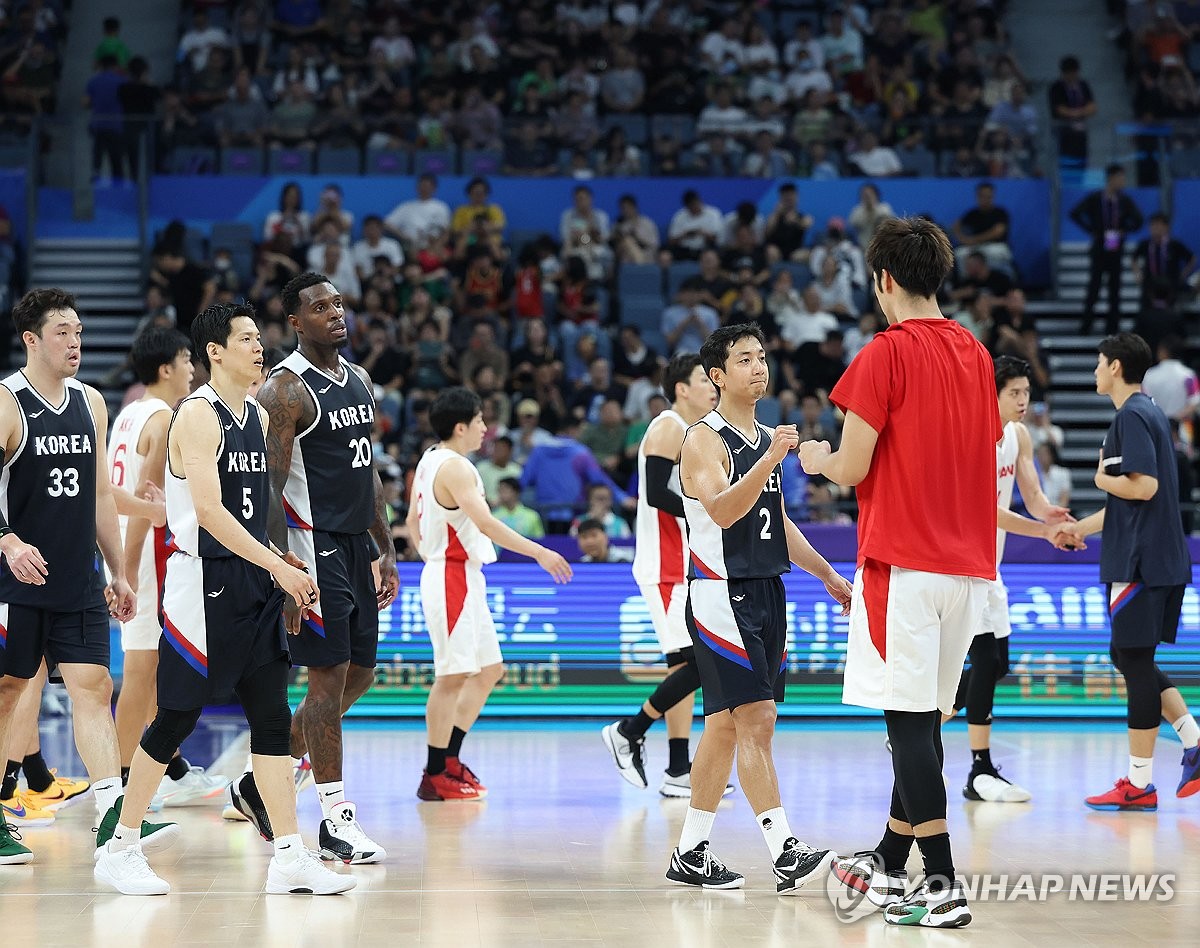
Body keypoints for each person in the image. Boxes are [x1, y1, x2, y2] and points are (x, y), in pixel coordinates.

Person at [94, 302, 354, 896]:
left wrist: (280, 557)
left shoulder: (258, 418)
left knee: (270, 716)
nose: (259, 348)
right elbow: (208, 513)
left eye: (260, 338)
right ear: (215, 352)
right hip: (201, 581)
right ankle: (121, 846)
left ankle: (288, 854)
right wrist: (275, 566)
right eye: (246, 339)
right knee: (177, 717)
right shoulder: (197, 416)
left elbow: (256, 504)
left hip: (255, 576)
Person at [803, 218, 1000, 928]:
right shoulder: (977, 354)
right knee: (925, 721)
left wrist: (817, 459)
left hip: (903, 565)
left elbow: (852, 467)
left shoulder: (885, 352)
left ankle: (942, 883)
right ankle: (890, 861)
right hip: (969, 570)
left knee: (908, 723)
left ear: (884, 278)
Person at [665, 323, 851, 894]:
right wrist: (771, 459)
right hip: (722, 591)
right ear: (717, 377)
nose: (759, 366)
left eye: (763, 356)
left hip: (767, 589)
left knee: (724, 726)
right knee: (758, 719)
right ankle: (784, 849)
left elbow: (777, 523)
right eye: (744, 359)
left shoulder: (765, 436)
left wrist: (827, 575)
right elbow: (722, 511)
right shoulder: (703, 438)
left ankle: (691, 852)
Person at [0, 288, 165, 868]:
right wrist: (8, 539)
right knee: (8, 694)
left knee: (94, 688)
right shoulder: (7, 403)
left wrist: (118, 570)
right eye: (62, 332)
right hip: (14, 580)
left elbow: (98, 492)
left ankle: (111, 818)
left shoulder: (91, 403)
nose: (75, 341)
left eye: (78, 331)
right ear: (32, 340)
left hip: (75, 576)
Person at [254, 273, 400, 863]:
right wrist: (283, 571)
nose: (335, 313)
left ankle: (263, 777)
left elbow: (367, 471)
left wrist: (385, 545)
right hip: (313, 546)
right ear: (296, 321)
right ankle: (335, 818)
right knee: (327, 680)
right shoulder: (285, 390)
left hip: (356, 542)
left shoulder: (360, 379)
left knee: (361, 674)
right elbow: (268, 487)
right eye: (320, 307)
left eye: (338, 303)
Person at [407, 388, 572, 801]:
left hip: (457, 573)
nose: (486, 428)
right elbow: (485, 524)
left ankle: (449, 759)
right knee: (451, 676)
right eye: (480, 421)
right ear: (461, 427)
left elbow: (411, 520)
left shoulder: (429, 459)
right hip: (452, 577)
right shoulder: (457, 468)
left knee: (488, 670)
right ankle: (433, 773)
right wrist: (540, 551)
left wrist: (430, 551)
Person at [1059, 333, 1200, 810]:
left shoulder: (1131, 416)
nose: (1095, 371)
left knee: (1134, 662)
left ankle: (1140, 783)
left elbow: (1141, 488)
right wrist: (1081, 527)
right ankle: (1194, 741)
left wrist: (1098, 477)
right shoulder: (1150, 412)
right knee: (1128, 656)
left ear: (1116, 367)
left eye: (1099, 363)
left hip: (1141, 563)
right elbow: (1134, 499)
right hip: (1153, 556)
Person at [944, 356, 1077, 804]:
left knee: (998, 664)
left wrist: (1054, 518)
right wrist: (1043, 532)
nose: (1023, 401)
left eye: (1026, 392)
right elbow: (985, 509)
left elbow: (1033, 495)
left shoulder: (1019, 435)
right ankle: (979, 771)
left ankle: (925, 721)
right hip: (963, 563)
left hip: (990, 567)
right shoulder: (973, 433)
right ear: (993, 393)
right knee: (984, 660)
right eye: (1013, 393)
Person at [108, 327, 230, 807]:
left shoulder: (131, 412)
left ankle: (170, 766)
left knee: (158, 667)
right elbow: (144, 505)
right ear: (165, 369)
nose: (192, 369)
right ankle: (119, 782)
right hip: (137, 555)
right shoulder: (162, 420)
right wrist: (127, 572)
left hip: (127, 550)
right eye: (185, 360)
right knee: (141, 670)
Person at [602, 354, 726, 796]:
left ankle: (677, 770)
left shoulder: (694, 432)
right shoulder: (669, 425)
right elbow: (655, 493)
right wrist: (709, 512)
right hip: (665, 564)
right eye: (702, 379)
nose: (712, 385)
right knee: (701, 664)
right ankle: (628, 731)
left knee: (683, 666)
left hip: (681, 563)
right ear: (681, 389)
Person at [1071, 165, 1144, 336]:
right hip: (1100, 245)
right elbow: (1075, 213)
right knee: (1094, 287)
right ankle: (1086, 325)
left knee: (1115, 289)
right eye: (1120, 178)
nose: (1122, 182)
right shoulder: (1096, 198)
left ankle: (1112, 327)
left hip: (1115, 246)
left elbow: (1139, 220)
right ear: (1111, 178)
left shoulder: (1124, 201)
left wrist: (1124, 230)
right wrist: (1093, 230)